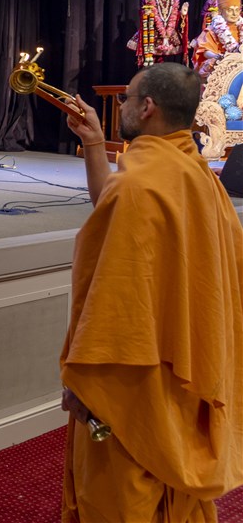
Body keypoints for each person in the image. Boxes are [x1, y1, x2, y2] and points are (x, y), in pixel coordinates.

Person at [60, 63, 243, 522]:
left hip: (133, 383)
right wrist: (94, 144)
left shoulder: (139, 186)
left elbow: (115, 305)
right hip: (186, 368)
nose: (120, 105)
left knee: (122, 493)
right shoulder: (198, 176)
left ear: (147, 107)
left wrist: (85, 381)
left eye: (126, 98)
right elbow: (114, 204)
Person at [127, 0, 189, 68]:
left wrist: (182, 13)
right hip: (153, 31)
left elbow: (174, 15)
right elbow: (145, 13)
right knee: (152, 59)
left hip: (169, 31)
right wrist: (147, 13)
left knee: (165, 61)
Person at [193, 0, 242, 79]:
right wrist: (218, 57)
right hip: (219, 68)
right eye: (230, 10)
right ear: (220, 12)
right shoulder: (212, 30)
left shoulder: (241, 28)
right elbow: (204, 52)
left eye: (237, 10)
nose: (234, 14)